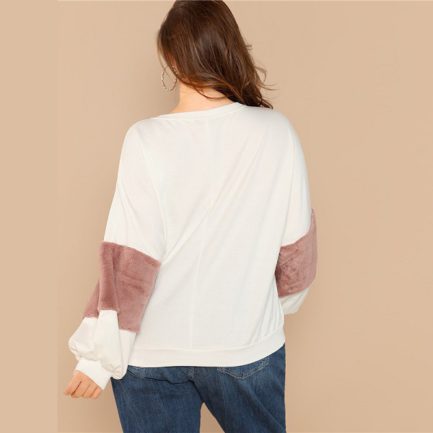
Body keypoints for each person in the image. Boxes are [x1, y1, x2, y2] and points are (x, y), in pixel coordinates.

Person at [63, 1, 318, 432]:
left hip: (152, 354)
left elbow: (130, 259)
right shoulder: (277, 133)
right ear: (228, 48)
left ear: (171, 58)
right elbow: (297, 255)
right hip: (244, 346)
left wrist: (97, 356)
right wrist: (258, 306)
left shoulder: (145, 140)